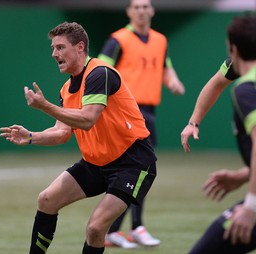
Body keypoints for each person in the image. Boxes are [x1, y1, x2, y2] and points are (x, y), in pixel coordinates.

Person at [0, 21, 157, 254]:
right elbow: (62, 133)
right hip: (96, 163)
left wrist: (45, 106)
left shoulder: (99, 73)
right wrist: (31, 136)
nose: (54, 54)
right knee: (46, 200)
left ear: (80, 47)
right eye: (53, 48)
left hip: (131, 162)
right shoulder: (66, 89)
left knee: (95, 229)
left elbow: (87, 119)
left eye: (60, 47)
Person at [97, 0, 185, 248]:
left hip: (148, 111)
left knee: (140, 171)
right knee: (136, 171)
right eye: (136, 7)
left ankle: (122, 229)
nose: (142, 10)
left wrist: (173, 81)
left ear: (153, 10)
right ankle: (125, 228)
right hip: (125, 110)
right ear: (128, 11)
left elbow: (165, 68)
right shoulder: (119, 39)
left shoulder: (160, 40)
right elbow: (100, 69)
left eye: (146, 6)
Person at [181, 14, 256, 254]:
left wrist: (251, 207)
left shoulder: (247, 89)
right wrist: (244, 175)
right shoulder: (240, 75)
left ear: (233, 48)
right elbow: (215, 84)